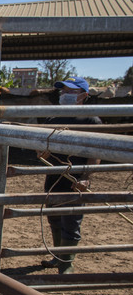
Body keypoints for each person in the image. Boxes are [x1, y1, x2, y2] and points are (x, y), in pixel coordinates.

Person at [38, 76, 101, 274]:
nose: (64, 94)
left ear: (83, 95)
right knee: (54, 218)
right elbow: (43, 145)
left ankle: (67, 264)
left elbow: (97, 151)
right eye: (63, 91)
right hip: (54, 176)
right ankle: (58, 257)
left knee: (71, 221)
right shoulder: (53, 118)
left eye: (70, 91)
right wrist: (42, 152)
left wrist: (86, 176)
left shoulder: (91, 120)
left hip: (74, 179)